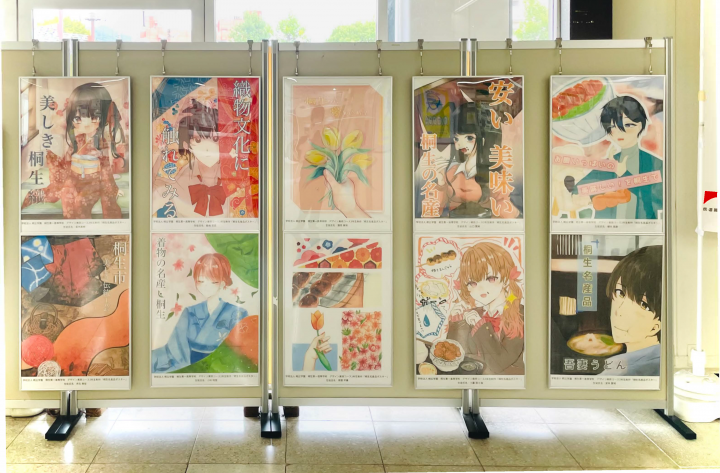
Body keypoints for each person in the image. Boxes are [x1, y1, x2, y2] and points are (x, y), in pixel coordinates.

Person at [22, 82, 126, 219]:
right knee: (66, 196)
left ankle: (83, 230)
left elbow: (105, 169)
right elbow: (68, 162)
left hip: (92, 183)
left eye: (94, 117)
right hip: (73, 179)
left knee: (81, 203)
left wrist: (111, 190)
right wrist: (56, 163)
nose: (86, 123)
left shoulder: (101, 143)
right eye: (78, 118)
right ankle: (70, 227)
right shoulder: (77, 140)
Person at [571, 95, 663, 219]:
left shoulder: (655, 163)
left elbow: (659, 198)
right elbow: (577, 192)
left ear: (641, 125)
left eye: (628, 125)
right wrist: (591, 197)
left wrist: (623, 174)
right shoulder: (609, 164)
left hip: (644, 229)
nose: (620, 131)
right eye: (613, 127)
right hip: (607, 229)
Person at [421, 102, 518, 219]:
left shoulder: (494, 170)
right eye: (456, 138)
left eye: (469, 138)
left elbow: (504, 208)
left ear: (485, 138)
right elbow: (432, 210)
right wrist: (441, 183)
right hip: (453, 226)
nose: (460, 144)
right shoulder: (452, 169)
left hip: (485, 226)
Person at [152, 253, 246, 372]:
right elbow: (177, 344)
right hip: (190, 363)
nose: (205, 286)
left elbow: (241, 349)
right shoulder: (190, 311)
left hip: (221, 366)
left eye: (212, 281)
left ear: (223, 282)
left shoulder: (237, 313)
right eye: (201, 281)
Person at [447, 242, 524, 375]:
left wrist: (480, 326)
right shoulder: (473, 314)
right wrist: (456, 323)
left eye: (491, 278)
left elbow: (498, 364)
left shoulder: (520, 314)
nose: (481, 289)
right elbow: (454, 359)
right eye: (472, 283)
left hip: (508, 382)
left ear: (506, 279)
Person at [153, 99, 239, 218]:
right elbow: (149, 202)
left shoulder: (233, 174)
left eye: (215, 139)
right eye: (198, 140)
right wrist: (171, 130)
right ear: (187, 144)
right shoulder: (180, 178)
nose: (207, 148)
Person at [599, 245, 662, 377]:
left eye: (642, 304)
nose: (619, 311)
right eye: (620, 292)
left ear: (656, 326)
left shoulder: (623, 372)